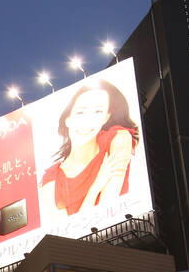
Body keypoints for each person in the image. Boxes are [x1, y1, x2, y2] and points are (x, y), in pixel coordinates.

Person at [40, 78, 139, 221]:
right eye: (80, 112)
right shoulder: (51, 180)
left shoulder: (118, 138)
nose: (88, 121)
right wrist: (96, 186)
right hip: (83, 244)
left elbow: (107, 214)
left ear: (106, 117)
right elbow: (72, 233)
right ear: (68, 119)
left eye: (98, 112)